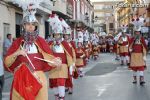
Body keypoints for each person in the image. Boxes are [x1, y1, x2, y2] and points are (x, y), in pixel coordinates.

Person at [4, 4, 61, 100]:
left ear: (36, 27)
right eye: (28, 24)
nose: (30, 27)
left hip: (39, 78)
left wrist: (56, 61)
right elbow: (7, 62)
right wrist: (17, 53)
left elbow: (50, 58)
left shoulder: (41, 41)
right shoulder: (17, 42)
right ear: (24, 26)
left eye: (33, 25)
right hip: (22, 78)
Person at [48, 14, 73, 100]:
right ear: (53, 35)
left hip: (63, 66)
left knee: (61, 82)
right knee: (54, 82)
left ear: (61, 35)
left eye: (58, 35)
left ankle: (62, 97)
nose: (56, 36)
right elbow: (47, 55)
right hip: (53, 67)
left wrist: (71, 67)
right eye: (55, 35)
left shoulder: (65, 44)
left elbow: (69, 56)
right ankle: (56, 97)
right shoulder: (50, 44)